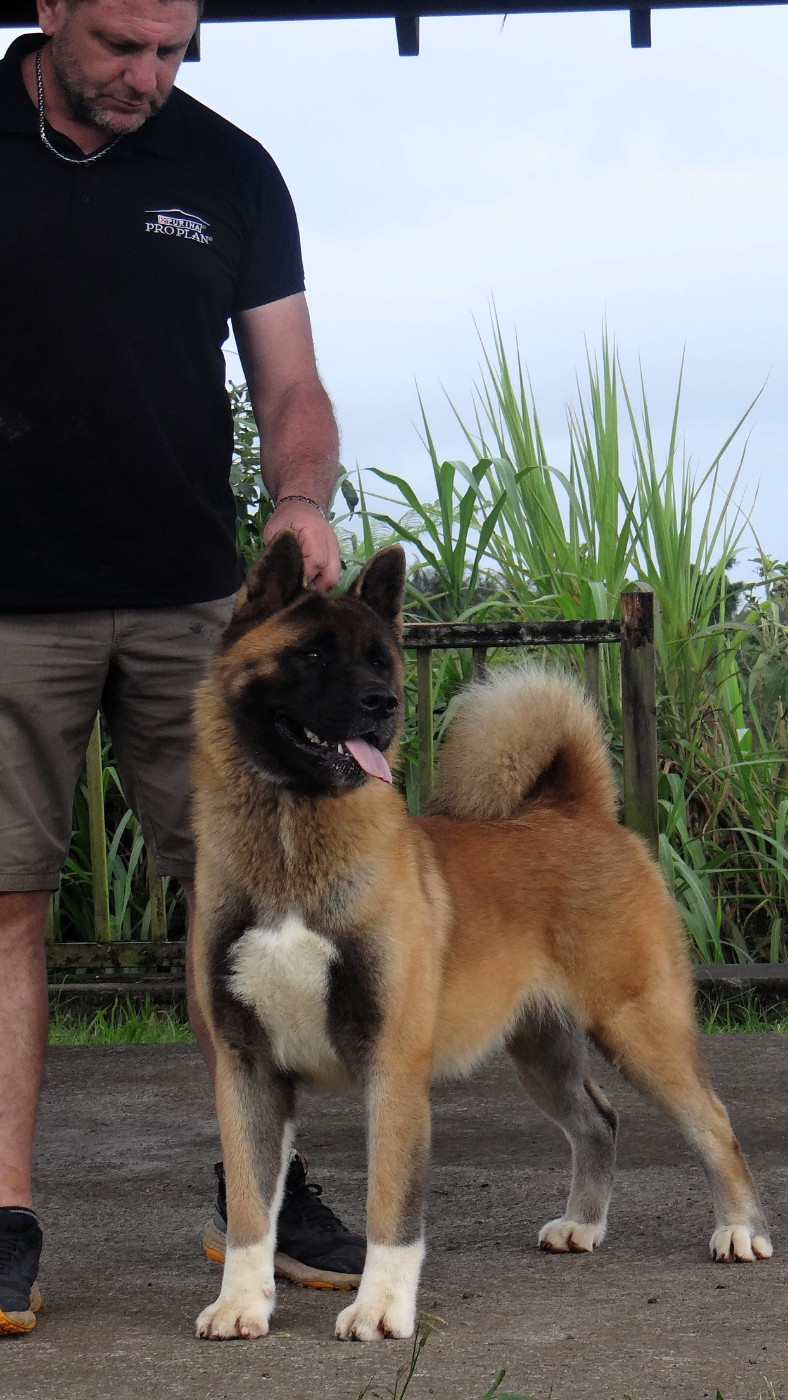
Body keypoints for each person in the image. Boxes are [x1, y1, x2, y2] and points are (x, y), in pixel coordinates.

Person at [0, 0, 365, 1336]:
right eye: (117, 47)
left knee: (236, 909)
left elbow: (290, 387)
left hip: (189, 606)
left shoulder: (228, 171)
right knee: (5, 907)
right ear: (48, 14)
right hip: (6, 609)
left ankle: (261, 1192)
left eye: (171, 51)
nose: (146, 77)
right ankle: (6, 1222)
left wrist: (303, 495)